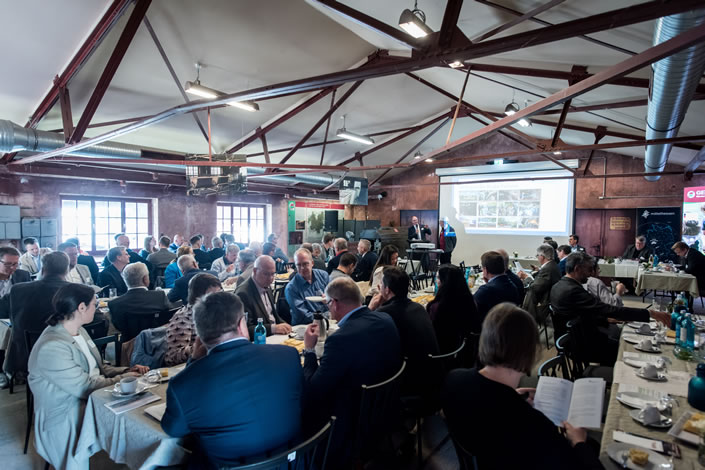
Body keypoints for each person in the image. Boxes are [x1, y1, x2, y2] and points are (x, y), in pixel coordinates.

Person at [442, 303, 604, 470]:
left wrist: (511, 396)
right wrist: (578, 442)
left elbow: (486, 403)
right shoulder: (534, 424)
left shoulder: (453, 380)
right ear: (529, 352)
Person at [162, 291, 303, 467]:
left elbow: (173, 429)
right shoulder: (288, 356)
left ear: (200, 334)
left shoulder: (183, 384)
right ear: (240, 325)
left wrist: (193, 363)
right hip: (292, 463)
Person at [28, 283, 148, 470]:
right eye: (95, 303)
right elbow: (86, 386)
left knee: (141, 416)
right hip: (65, 414)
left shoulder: (79, 330)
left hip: (90, 402)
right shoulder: (52, 347)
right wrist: (125, 380)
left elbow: (98, 367)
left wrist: (125, 371)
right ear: (81, 307)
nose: (98, 307)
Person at [302, 277, 402, 466]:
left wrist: (309, 350)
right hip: (385, 406)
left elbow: (314, 389)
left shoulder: (340, 340)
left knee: (303, 405)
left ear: (336, 303)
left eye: (329, 303)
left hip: (352, 418)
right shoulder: (385, 319)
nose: (329, 308)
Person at [550, 252, 670, 365]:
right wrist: (650, 313)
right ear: (577, 269)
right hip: (581, 345)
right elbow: (609, 309)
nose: (591, 273)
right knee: (631, 351)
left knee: (624, 338)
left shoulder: (558, 285)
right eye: (589, 269)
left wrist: (606, 319)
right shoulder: (573, 290)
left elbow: (578, 314)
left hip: (573, 339)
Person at [373, 267, 441, 399]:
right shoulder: (418, 307)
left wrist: (371, 308)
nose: (378, 286)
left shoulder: (384, 314)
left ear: (387, 290)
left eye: (381, 284)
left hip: (410, 383)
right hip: (433, 376)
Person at [6, 251, 71, 379]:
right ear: (67, 269)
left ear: (43, 268)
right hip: (61, 355)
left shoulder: (17, 289)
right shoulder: (74, 290)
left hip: (24, 354)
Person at [164, 273, 221, 366]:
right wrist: (202, 347)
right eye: (213, 295)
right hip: (193, 369)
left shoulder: (213, 312)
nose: (219, 299)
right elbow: (172, 357)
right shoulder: (184, 317)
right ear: (198, 296)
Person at [108, 262, 173, 341]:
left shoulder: (114, 304)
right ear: (145, 279)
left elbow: (118, 327)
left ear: (125, 280)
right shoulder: (160, 296)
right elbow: (168, 317)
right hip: (158, 342)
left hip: (129, 346)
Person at [426, 264, 481, 353]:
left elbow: (431, 334)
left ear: (444, 282)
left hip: (443, 352)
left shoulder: (438, 307)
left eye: (438, 278)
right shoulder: (469, 301)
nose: (436, 281)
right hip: (467, 351)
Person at [236, 255, 292, 338]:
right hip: (260, 340)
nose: (270, 278)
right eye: (266, 274)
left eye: (273, 274)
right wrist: (273, 328)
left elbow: (273, 316)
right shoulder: (243, 294)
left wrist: (285, 325)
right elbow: (246, 330)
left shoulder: (265, 285)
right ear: (255, 271)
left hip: (275, 336)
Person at [473, 251, 521, 324]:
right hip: (509, 328)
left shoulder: (486, 290)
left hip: (488, 330)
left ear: (485, 270)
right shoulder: (512, 285)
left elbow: (469, 309)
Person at [285, 249, 330, 325]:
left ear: (312, 263)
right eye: (298, 265)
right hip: (304, 327)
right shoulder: (291, 288)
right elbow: (304, 316)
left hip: (327, 321)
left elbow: (335, 299)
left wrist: (329, 299)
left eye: (305, 264)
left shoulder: (323, 275)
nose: (302, 268)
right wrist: (326, 317)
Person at [520, 244, 561, 323]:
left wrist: (526, 278)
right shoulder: (552, 265)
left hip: (541, 304)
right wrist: (538, 272)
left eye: (537, 255)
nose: (537, 257)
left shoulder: (548, 268)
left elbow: (536, 287)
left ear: (542, 256)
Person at [0, 246, 32, 318]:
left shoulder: (23, 275)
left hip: (16, 318)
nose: (12, 267)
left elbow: (29, 300)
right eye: (8, 264)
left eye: (15, 264)